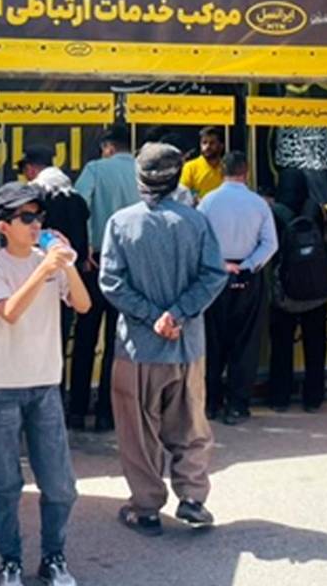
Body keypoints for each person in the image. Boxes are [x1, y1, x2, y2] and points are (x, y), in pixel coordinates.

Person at [99, 143, 227, 536]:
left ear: (140, 180)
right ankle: (193, 498)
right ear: (176, 179)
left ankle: (146, 508)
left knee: (138, 434)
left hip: (138, 350)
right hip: (187, 347)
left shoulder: (121, 223)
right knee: (191, 427)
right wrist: (178, 314)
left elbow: (111, 282)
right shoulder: (196, 222)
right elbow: (213, 275)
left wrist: (153, 316)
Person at [0, 182, 90, 586]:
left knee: (60, 485)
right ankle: (10, 560)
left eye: (38, 216)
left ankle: (53, 556)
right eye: (25, 217)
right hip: (1, 388)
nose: (35, 224)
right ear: (4, 226)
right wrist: (43, 269)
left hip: (45, 385)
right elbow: (8, 311)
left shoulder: (50, 261)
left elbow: (83, 304)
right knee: (4, 486)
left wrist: (66, 263)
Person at [197, 152, 278, 424]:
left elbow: (199, 240)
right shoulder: (259, 204)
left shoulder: (208, 202)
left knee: (212, 340)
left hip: (215, 277)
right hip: (248, 277)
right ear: (247, 172)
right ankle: (237, 405)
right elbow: (270, 243)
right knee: (245, 342)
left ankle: (211, 402)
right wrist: (248, 265)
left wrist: (221, 264)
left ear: (222, 171)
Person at [70, 125, 140, 432]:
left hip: (96, 262)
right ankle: (106, 414)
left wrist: (84, 245)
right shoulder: (141, 172)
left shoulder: (96, 169)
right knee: (117, 340)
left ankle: (76, 410)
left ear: (108, 147)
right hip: (131, 267)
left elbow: (77, 207)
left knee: (85, 336)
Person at [20, 146, 92, 400]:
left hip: (40, 280)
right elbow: (82, 245)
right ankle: (56, 402)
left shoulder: (36, 195)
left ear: (31, 169)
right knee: (58, 344)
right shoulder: (76, 197)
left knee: (35, 344)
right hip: (69, 282)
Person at [266, 171, 327, 413]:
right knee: (316, 345)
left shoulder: (274, 213)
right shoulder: (317, 210)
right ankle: (314, 398)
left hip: (286, 291)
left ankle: (279, 397)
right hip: (317, 289)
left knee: (282, 345)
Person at [179, 126, 225, 201]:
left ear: (221, 146)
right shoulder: (190, 167)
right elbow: (182, 194)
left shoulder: (227, 167)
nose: (207, 146)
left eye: (212, 143)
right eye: (204, 143)